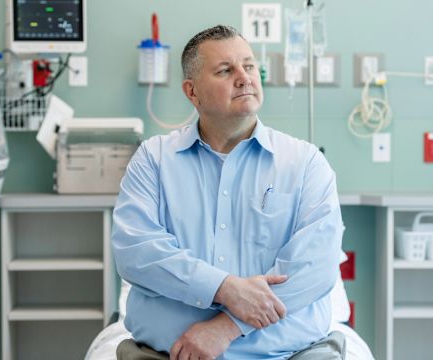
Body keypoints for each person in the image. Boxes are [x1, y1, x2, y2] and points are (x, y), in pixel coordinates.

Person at [112, 25, 345, 360]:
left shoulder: (305, 163)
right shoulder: (154, 160)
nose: (244, 77)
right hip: (169, 355)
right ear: (192, 92)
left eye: (249, 66)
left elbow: (314, 266)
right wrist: (223, 288)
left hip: (289, 354)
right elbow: (136, 251)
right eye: (225, 70)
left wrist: (226, 326)